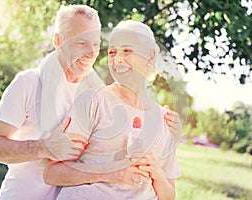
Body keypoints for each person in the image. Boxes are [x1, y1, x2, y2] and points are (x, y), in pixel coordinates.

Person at [0, 5, 181, 200]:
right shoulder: (29, 82)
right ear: (58, 41)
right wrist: (42, 147)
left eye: (95, 44)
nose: (91, 53)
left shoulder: (96, 93)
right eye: (81, 43)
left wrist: (169, 132)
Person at [44, 20, 181, 200]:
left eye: (127, 51)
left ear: (150, 56)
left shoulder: (166, 121)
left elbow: (169, 195)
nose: (117, 60)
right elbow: (52, 173)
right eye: (112, 52)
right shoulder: (93, 101)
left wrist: (156, 172)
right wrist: (111, 173)